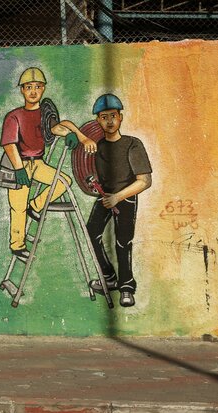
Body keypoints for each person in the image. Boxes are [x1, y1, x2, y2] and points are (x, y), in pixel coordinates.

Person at [1, 67, 97, 259]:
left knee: (63, 181)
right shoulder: (14, 116)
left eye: (37, 86)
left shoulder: (44, 114)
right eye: (28, 87)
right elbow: (9, 144)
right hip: (15, 164)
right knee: (18, 206)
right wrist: (19, 169)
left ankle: (36, 206)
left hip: (37, 163)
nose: (33, 91)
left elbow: (58, 126)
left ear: (43, 89)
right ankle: (17, 245)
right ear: (22, 90)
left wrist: (76, 135)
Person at [86, 94, 152, 307]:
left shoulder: (133, 144)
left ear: (120, 117)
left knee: (123, 243)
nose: (109, 121)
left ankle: (126, 287)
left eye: (113, 116)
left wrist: (117, 197)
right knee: (91, 234)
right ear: (98, 121)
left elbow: (144, 181)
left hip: (126, 199)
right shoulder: (99, 147)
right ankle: (109, 277)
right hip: (106, 197)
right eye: (104, 117)